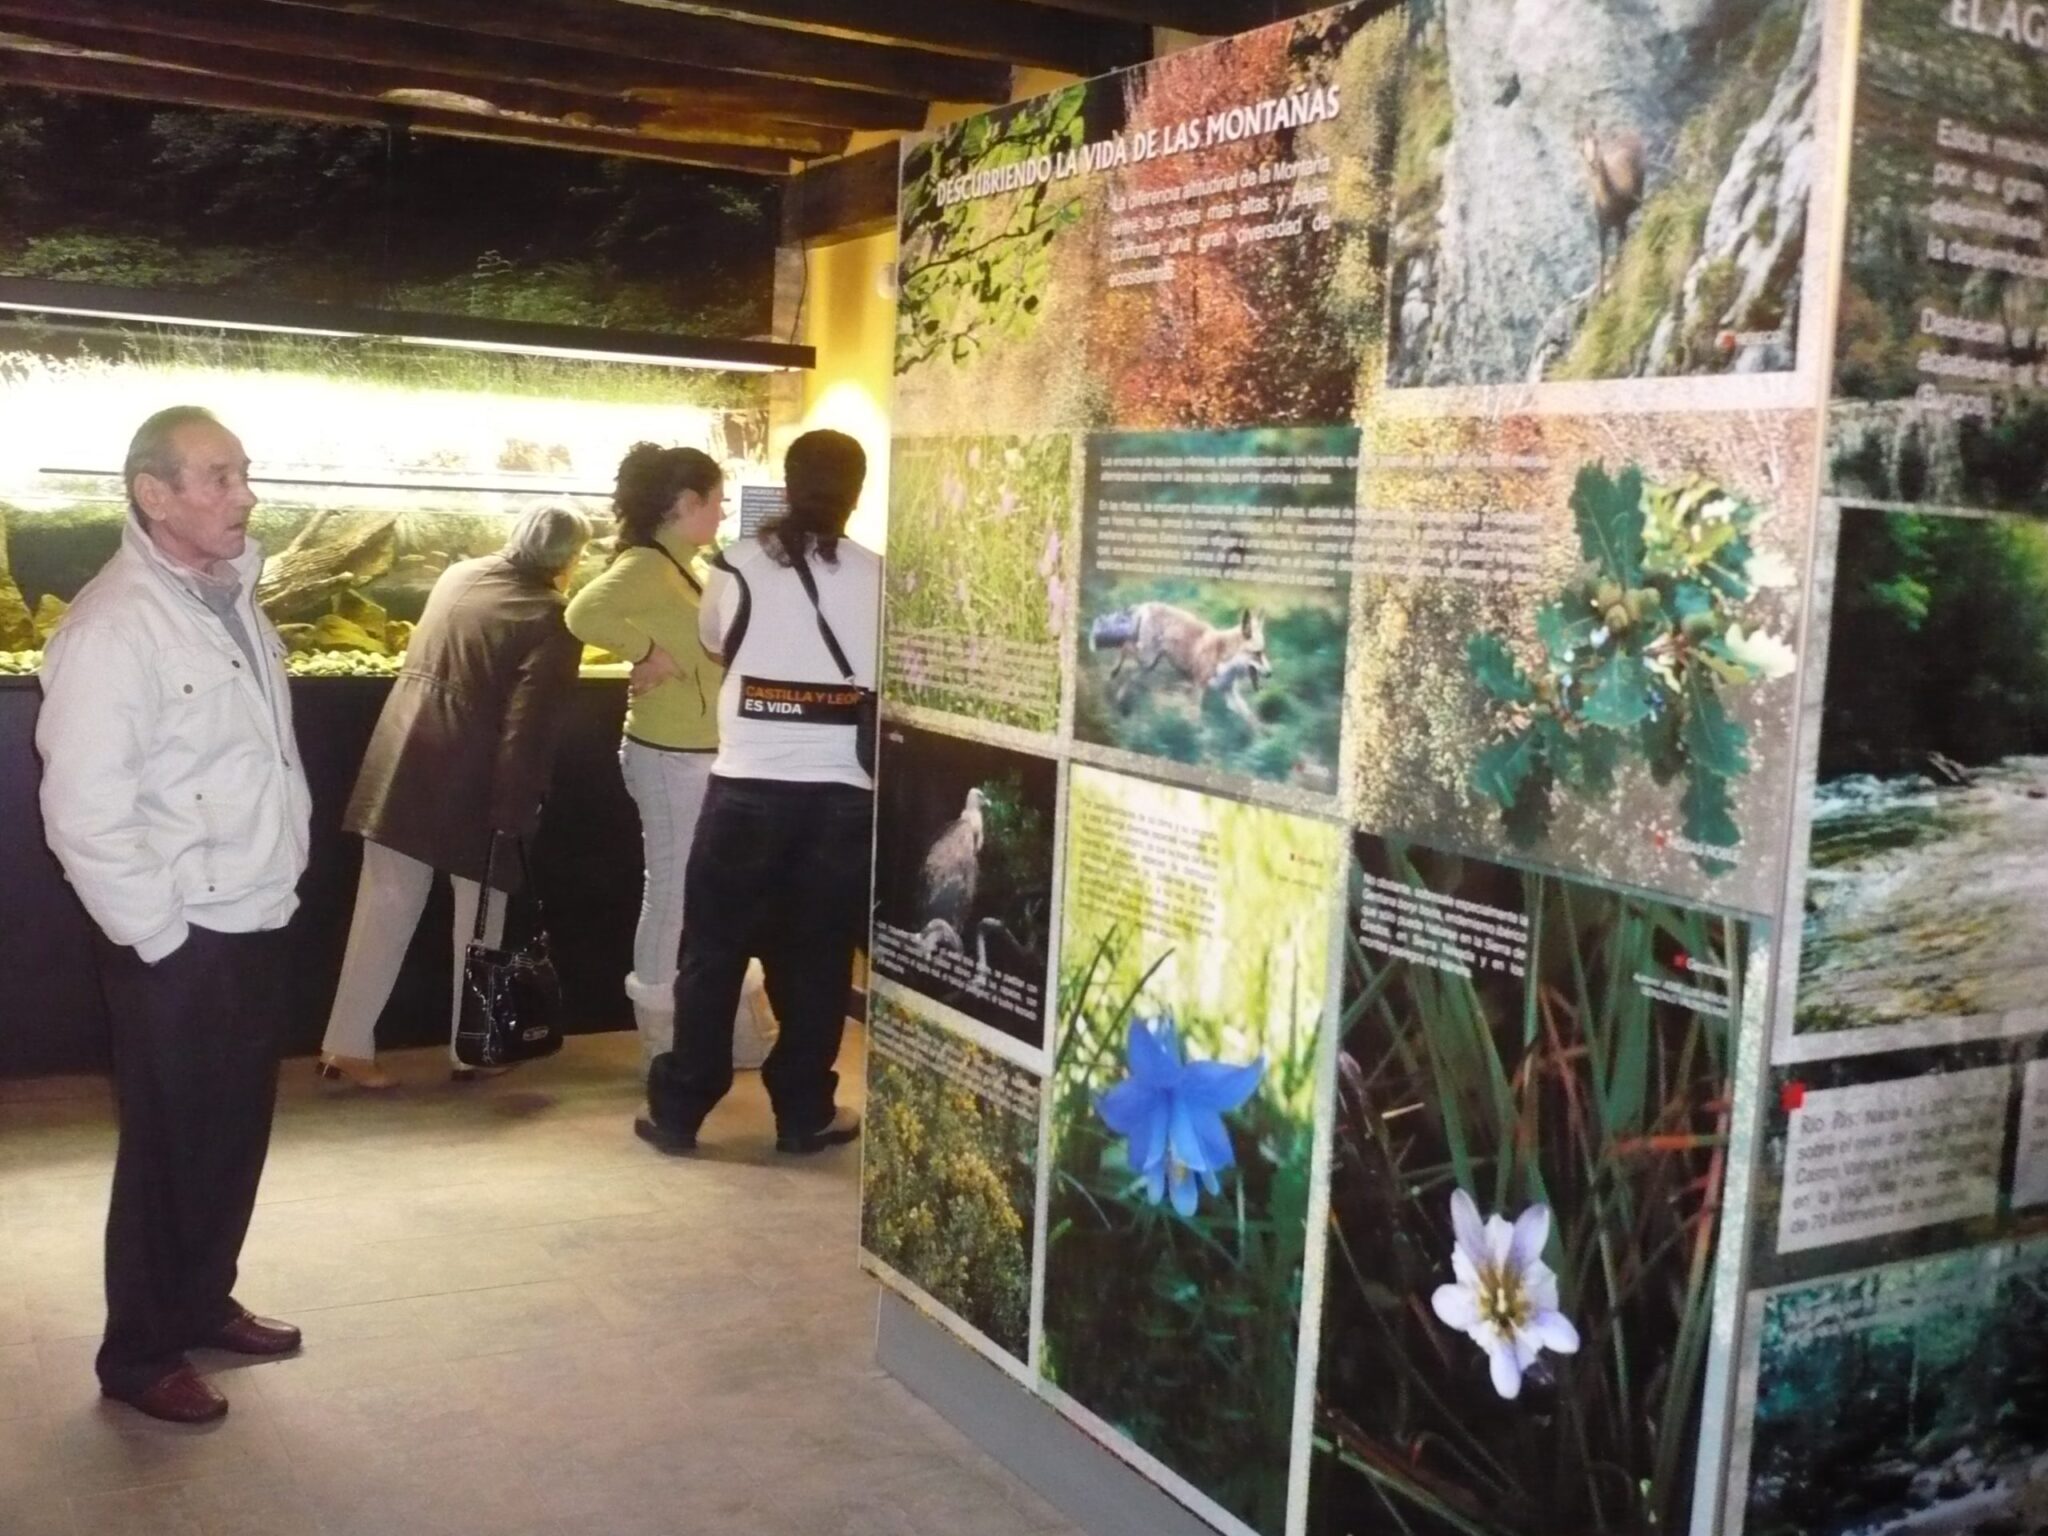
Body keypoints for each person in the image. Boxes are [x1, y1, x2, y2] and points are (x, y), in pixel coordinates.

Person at [36, 405, 312, 1424]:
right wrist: (158, 935)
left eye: (243, 472)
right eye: (218, 477)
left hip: (253, 911)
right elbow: (83, 810)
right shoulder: (114, 626)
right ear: (155, 496)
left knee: (231, 1131)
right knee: (168, 1149)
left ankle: (203, 1299)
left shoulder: (231, 596)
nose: (244, 494)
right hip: (180, 935)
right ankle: (140, 1353)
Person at [636, 429, 878, 1156]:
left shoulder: (736, 565)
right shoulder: (881, 575)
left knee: (712, 952)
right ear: (856, 492)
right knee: (818, 961)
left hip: (746, 787)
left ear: (789, 483)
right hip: (842, 794)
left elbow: (717, 643)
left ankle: (682, 1108)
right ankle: (803, 1110)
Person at [316, 506, 590, 1088]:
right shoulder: (552, 619)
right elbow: (528, 728)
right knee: (481, 922)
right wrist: (518, 810)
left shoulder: (458, 575)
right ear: (569, 560)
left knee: (382, 907)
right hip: (471, 779)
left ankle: (345, 1044)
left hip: (402, 754)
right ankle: (472, 1048)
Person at [566, 444, 770, 1075]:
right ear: (686, 504)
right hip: (668, 756)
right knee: (674, 892)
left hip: (705, 753)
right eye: (716, 499)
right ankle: (661, 1037)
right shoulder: (647, 566)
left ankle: (731, 1030)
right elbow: (581, 611)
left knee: (717, 892)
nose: (723, 510)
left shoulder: (689, 565)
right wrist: (645, 649)